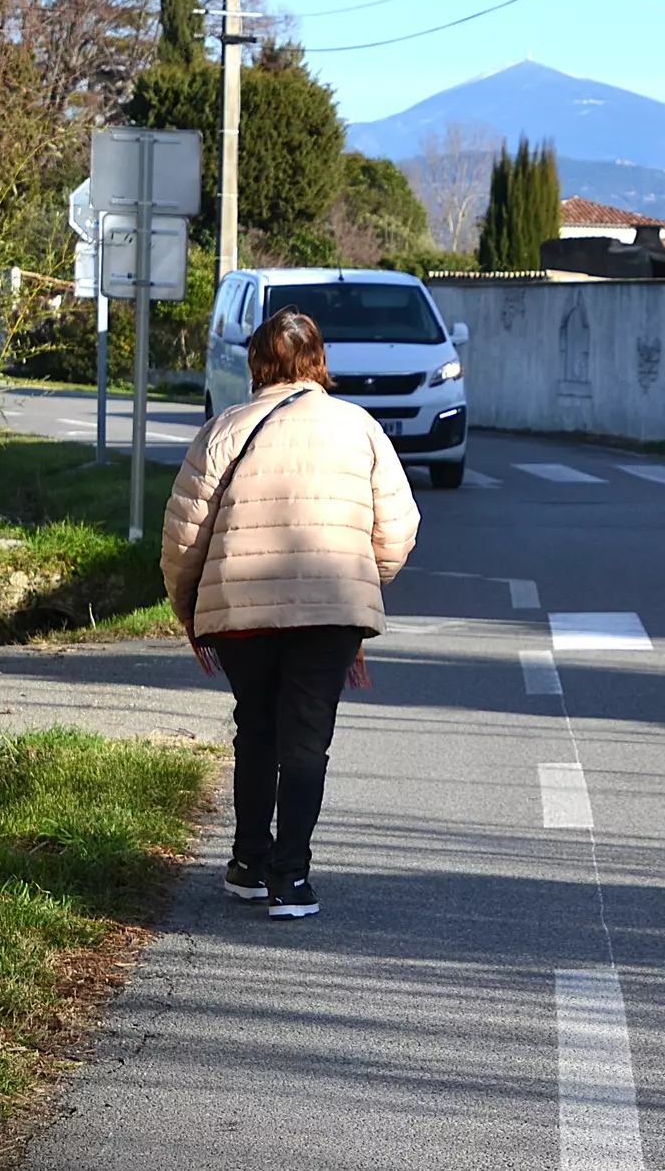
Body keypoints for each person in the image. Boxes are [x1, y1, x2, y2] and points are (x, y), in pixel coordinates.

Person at [161, 308, 419, 919]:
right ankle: (291, 880)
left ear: (257, 362)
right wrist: (361, 585)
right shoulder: (360, 427)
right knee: (306, 742)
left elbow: (182, 538)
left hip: (242, 610)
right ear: (318, 360)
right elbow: (400, 527)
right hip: (331, 614)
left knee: (256, 727)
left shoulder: (225, 429)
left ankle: (249, 861)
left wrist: (189, 610)